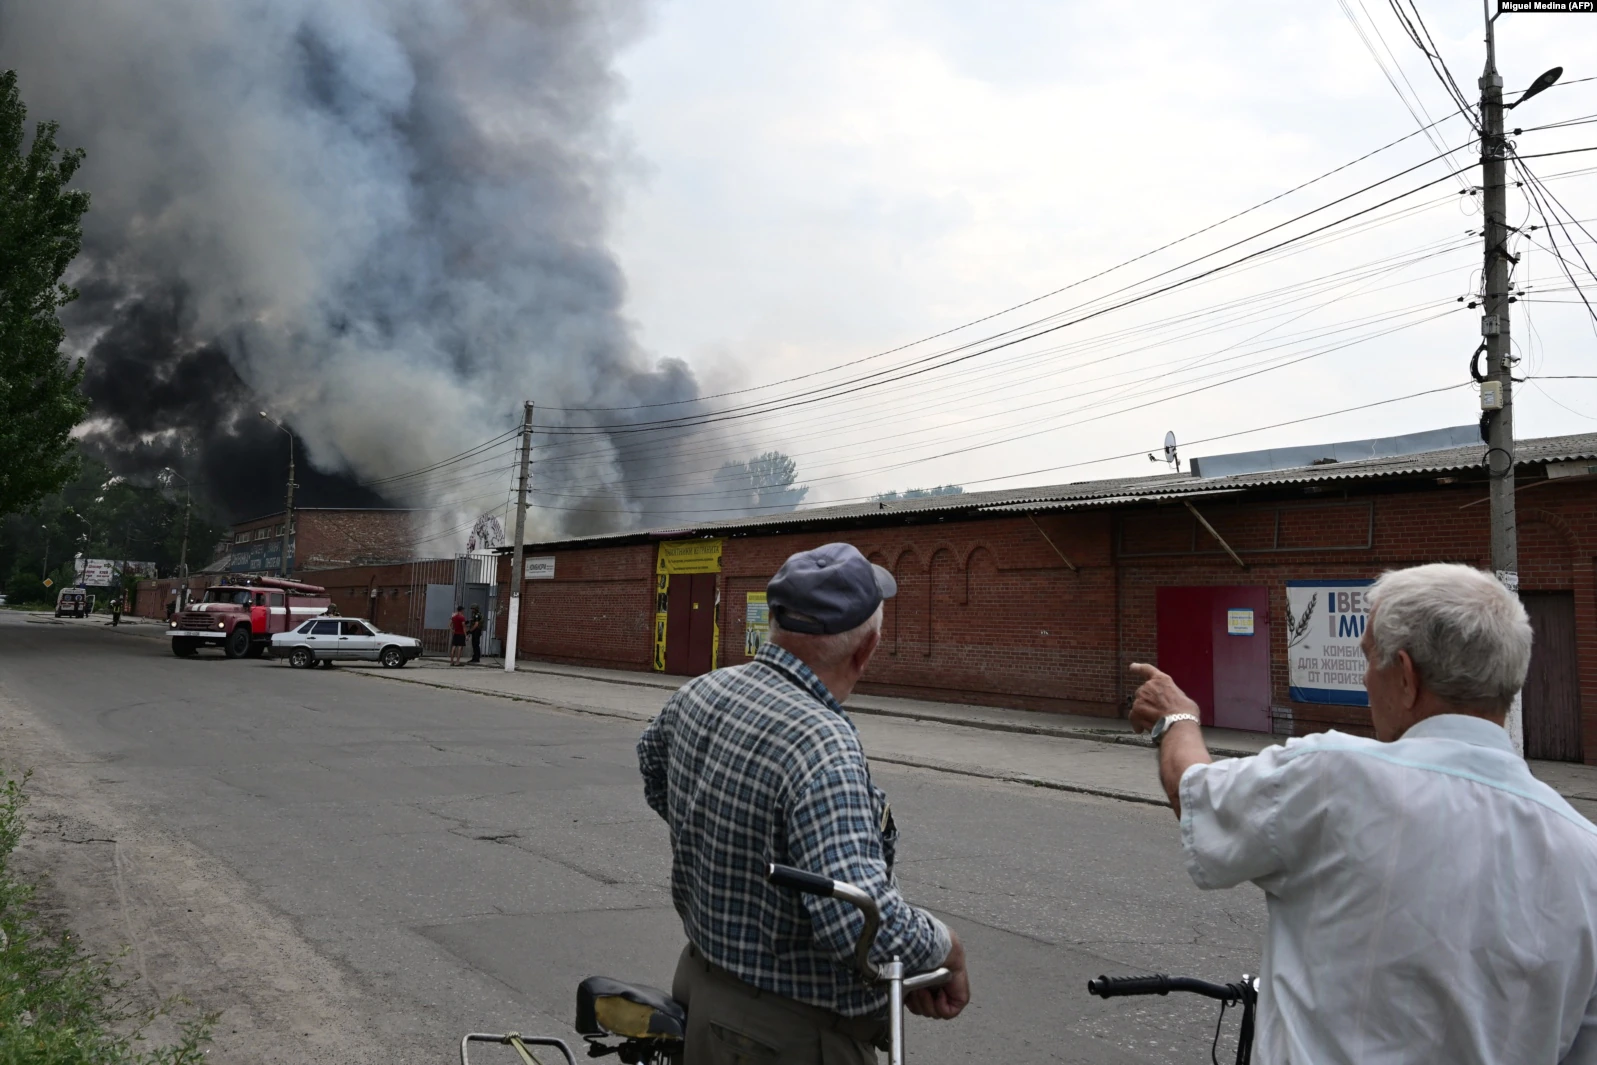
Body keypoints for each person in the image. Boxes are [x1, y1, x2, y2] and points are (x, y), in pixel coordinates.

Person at [1128, 562, 1597, 1064]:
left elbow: (1194, 791)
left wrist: (1176, 718)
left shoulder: (1332, 778)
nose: (1366, 680)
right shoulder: (1585, 853)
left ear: (1407, 677)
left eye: (1370, 660)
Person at [638, 543, 969, 1065]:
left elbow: (655, 774)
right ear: (867, 650)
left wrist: (730, 844)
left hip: (701, 990)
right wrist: (944, 946)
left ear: (774, 622)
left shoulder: (699, 692)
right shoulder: (822, 745)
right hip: (784, 1037)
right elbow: (855, 922)